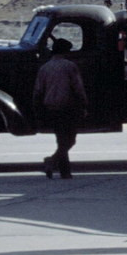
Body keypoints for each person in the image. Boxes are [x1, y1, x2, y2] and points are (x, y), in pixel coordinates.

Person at [34, 39, 89, 180]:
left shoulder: (45, 67)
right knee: (69, 140)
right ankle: (60, 168)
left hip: (51, 108)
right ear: (65, 51)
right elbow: (78, 88)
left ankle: (54, 163)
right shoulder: (70, 66)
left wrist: (39, 110)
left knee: (62, 139)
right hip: (68, 107)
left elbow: (38, 91)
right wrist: (84, 105)